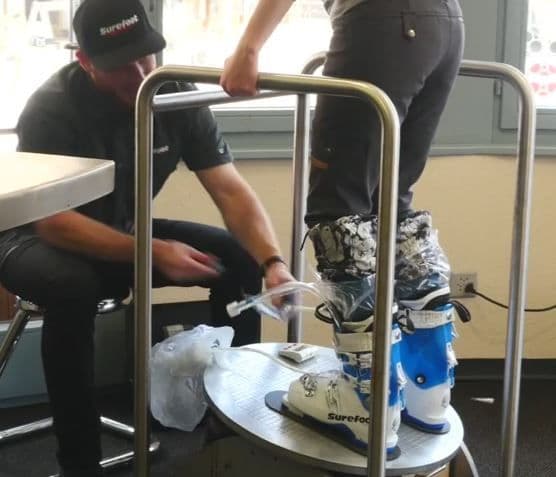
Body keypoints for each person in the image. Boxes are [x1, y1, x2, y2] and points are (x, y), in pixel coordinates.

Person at [0, 0, 294, 475]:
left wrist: (273, 262)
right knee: (71, 286)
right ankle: (79, 463)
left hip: (122, 233)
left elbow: (230, 191)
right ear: (85, 60)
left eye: (146, 57)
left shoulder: (172, 94)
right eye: (121, 65)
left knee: (239, 258)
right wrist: (151, 251)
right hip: (33, 239)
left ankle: (228, 432)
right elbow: (54, 222)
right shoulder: (52, 107)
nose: (139, 75)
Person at [221, 0, 465, 458]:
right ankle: (428, 387)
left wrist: (248, 48)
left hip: (383, 21)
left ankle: (364, 400)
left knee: (338, 213)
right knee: (391, 202)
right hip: (445, 24)